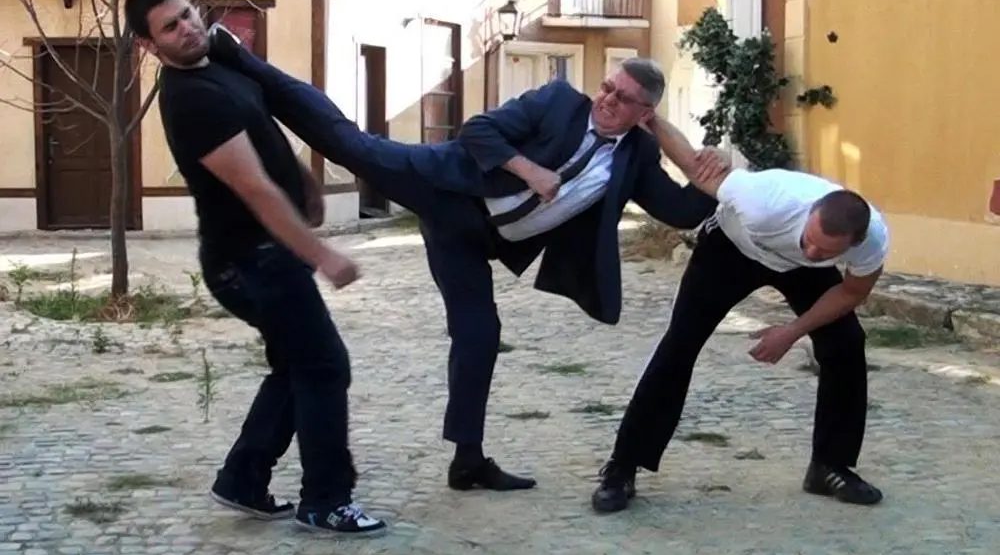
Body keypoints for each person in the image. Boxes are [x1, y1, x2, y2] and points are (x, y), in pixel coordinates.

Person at [207, 28, 728, 491]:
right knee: (350, 143)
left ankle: (468, 461)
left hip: (472, 241)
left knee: (479, 334)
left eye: (624, 98)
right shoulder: (558, 101)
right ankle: (243, 61)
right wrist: (528, 170)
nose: (608, 99)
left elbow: (682, 210)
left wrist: (715, 174)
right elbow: (479, 130)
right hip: (445, 186)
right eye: (608, 87)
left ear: (644, 115)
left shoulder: (636, 157)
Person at [124, 0, 386, 537]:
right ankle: (326, 501)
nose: (187, 28)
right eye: (170, 26)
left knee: (297, 364)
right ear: (149, 45)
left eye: (187, 14)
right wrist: (322, 255)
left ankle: (242, 479)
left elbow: (266, 128)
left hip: (266, 255)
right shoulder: (191, 100)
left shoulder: (219, 64)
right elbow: (255, 189)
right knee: (324, 365)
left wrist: (307, 183)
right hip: (248, 263)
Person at [590, 139, 890, 513]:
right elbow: (696, 168)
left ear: (854, 242)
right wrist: (650, 121)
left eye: (826, 251)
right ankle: (622, 467)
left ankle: (830, 466)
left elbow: (851, 292)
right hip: (732, 249)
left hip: (800, 273)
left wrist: (791, 332)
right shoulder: (763, 199)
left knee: (845, 343)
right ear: (810, 213)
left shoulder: (872, 240)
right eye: (810, 240)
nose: (812, 252)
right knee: (680, 345)